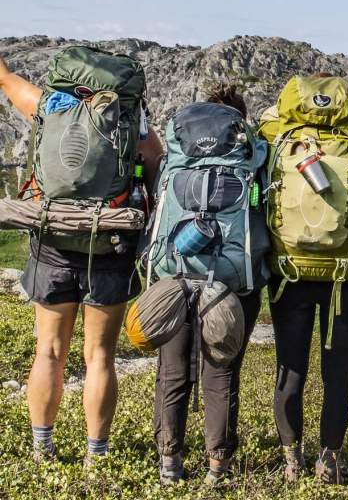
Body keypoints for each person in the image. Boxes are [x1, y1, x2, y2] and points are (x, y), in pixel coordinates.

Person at [0, 53, 163, 464]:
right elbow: (155, 159)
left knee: (49, 351)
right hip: (110, 244)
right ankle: (97, 455)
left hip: (53, 240)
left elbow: (5, 80)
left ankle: (42, 448)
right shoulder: (130, 119)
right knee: (100, 356)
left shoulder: (49, 105)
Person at [259, 73, 348, 485]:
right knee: (338, 369)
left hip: (289, 270)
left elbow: (265, 125)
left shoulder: (278, 132)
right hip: (347, 273)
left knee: (290, 367)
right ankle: (330, 459)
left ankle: (292, 457)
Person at [153, 85, 266, 487]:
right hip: (232, 280)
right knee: (222, 370)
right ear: (239, 121)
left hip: (177, 275)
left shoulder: (179, 154)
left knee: (173, 371)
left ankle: (170, 461)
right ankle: (218, 466)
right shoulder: (253, 153)